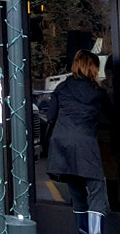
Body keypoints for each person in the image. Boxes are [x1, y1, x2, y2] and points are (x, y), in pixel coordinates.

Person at [47, 49, 112, 234]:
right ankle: (94, 232)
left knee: (77, 192)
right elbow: (111, 116)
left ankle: (82, 231)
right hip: (86, 145)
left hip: (62, 146)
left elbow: (51, 116)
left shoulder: (62, 88)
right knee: (97, 190)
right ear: (92, 68)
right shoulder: (98, 93)